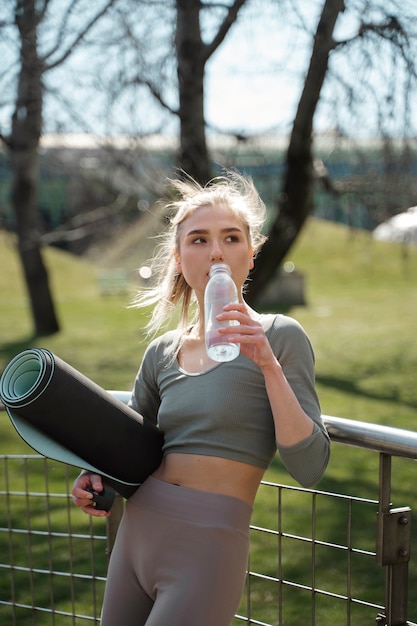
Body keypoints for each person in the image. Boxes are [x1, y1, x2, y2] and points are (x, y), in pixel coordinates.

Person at [72, 171, 330, 626]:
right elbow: (131, 448)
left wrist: (268, 365)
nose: (215, 252)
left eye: (231, 238)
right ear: (178, 258)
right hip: (137, 532)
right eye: (198, 240)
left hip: (209, 544)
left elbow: (309, 465)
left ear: (250, 255)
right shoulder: (161, 353)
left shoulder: (281, 337)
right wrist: (97, 481)